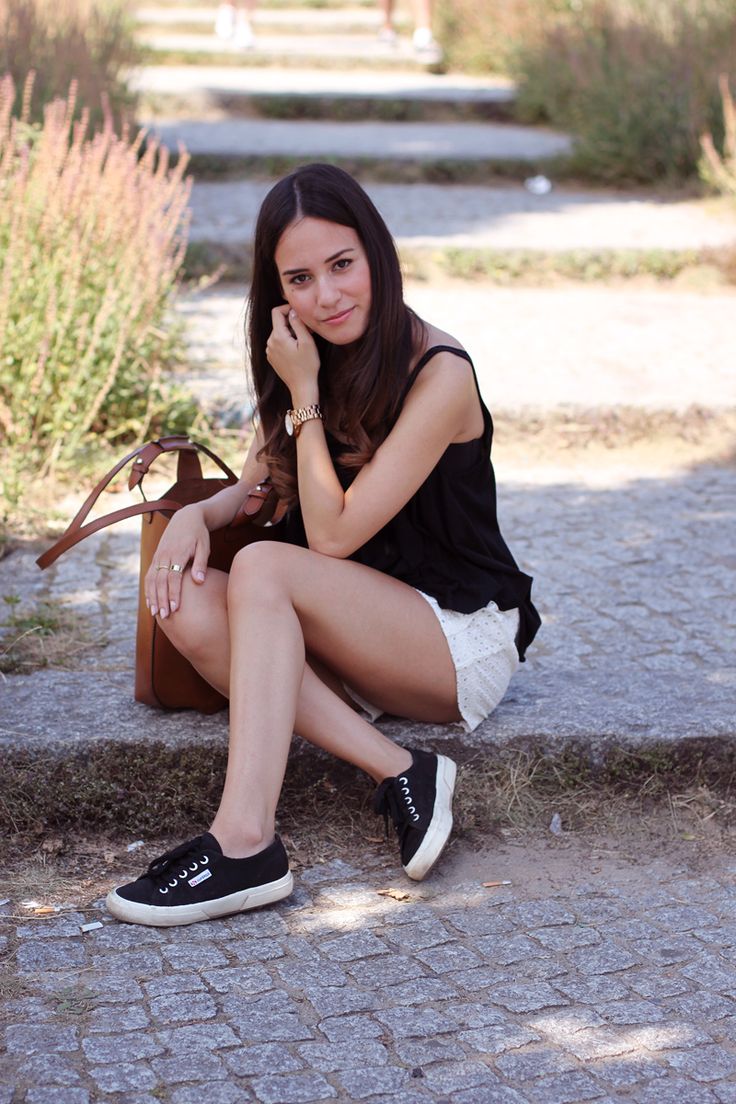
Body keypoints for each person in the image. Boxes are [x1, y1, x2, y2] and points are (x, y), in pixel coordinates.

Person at [106, 163, 541, 928]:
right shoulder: (303, 353)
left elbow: (333, 536)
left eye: (343, 266)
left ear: (377, 253)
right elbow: (260, 486)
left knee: (265, 566)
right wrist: (195, 519)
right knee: (184, 599)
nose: (328, 296)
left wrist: (305, 396)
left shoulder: (440, 375)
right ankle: (402, 768)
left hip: (451, 638)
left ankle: (245, 842)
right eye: (300, 278)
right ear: (276, 288)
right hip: (357, 633)